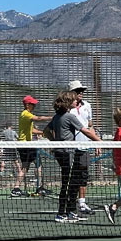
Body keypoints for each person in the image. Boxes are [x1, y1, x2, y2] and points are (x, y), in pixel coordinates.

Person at [44, 91, 101, 223]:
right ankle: (61, 214)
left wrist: (55, 142)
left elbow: (46, 131)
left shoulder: (57, 117)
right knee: (67, 183)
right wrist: (99, 142)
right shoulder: (69, 116)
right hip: (67, 153)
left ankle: (70, 212)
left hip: (62, 152)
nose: (77, 102)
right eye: (74, 100)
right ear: (68, 102)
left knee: (71, 182)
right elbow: (86, 131)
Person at [67, 80, 98, 215]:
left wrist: (96, 142)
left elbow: (90, 125)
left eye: (82, 91)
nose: (80, 93)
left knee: (83, 174)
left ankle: (82, 203)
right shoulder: (67, 108)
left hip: (85, 146)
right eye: (77, 91)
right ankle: (70, 203)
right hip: (70, 148)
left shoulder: (87, 106)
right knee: (71, 176)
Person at [12, 95, 51, 197]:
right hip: (26, 145)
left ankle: (16, 188)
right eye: (33, 104)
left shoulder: (25, 115)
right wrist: (53, 118)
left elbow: (31, 130)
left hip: (25, 145)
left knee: (26, 167)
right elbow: (38, 118)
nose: (34, 106)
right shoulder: (26, 114)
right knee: (37, 165)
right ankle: (39, 188)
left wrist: (42, 133)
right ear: (27, 105)